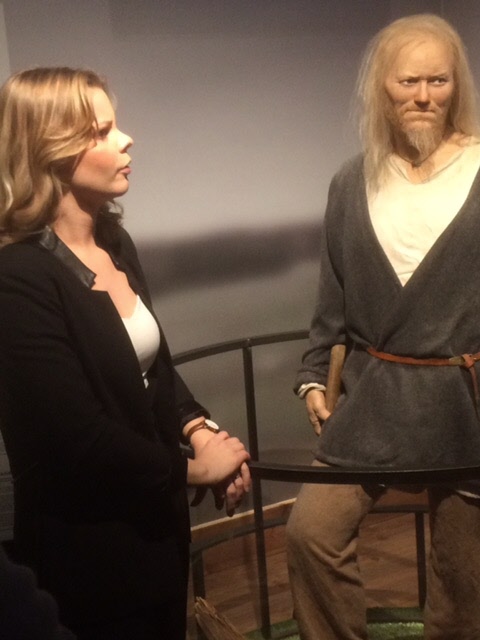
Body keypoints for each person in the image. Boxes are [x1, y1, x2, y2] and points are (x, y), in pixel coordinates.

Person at [0, 67, 251, 640]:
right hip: (90, 556)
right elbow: (76, 438)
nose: (127, 139)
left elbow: (152, 370)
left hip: (156, 531)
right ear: (50, 150)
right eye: (101, 131)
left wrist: (200, 429)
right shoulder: (16, 278)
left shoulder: (113, 241)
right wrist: (194, 470)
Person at [286, 13, 480, 640]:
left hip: (467, 401)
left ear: (457, 85)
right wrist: (313, 375)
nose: (423, 96)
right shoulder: (351, 181)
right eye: (408, 82)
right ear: (382, 88)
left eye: (438, 80)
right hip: (375, 396)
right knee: (312, 534)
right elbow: (332, 298)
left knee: (465, 574)